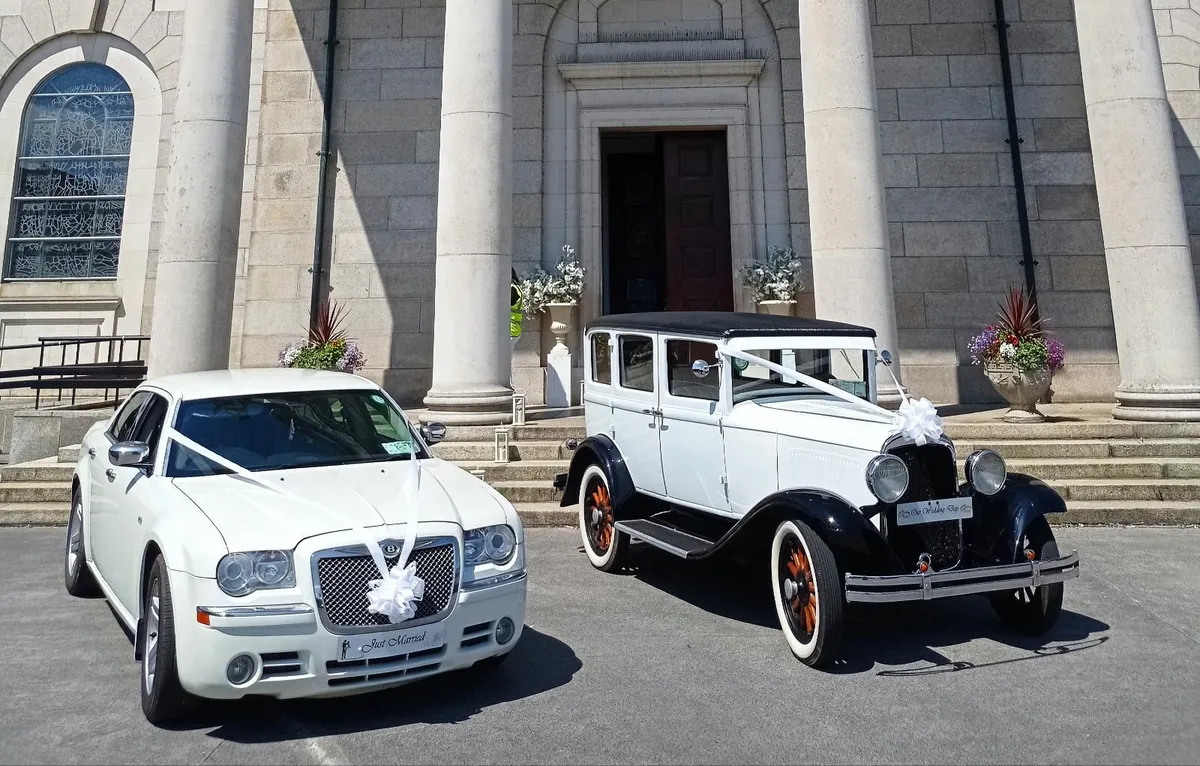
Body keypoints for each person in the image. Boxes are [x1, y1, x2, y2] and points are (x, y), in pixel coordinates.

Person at [510, 267, 523, 390]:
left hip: (510, 330)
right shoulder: (516, 287)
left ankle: (510, 387)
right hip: (514, 330)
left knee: (504, 364)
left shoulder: (511, 289)